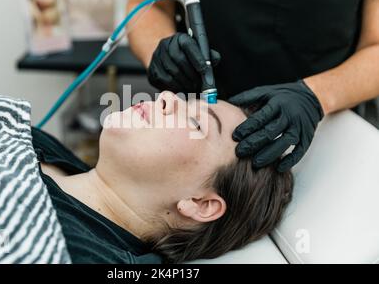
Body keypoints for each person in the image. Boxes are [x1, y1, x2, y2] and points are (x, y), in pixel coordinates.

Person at [127, 0, 379, 172]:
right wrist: (160, 52)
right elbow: (149, 5)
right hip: (193, 123)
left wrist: (316, 96)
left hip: (316, 131)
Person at [32, 91, 293, 263]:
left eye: (196, 123)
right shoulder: (51, 151)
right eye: (188, 104)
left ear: (199, 203)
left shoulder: (70, 250)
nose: (167, 97)